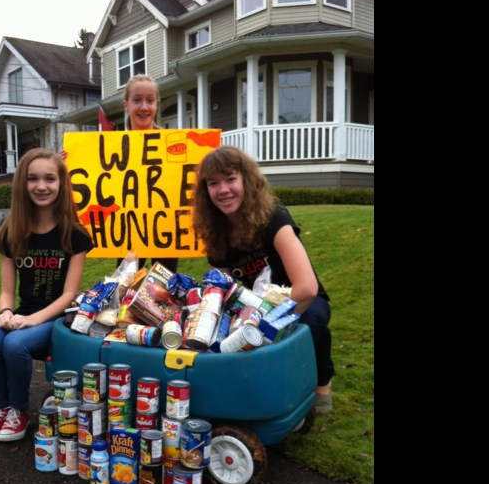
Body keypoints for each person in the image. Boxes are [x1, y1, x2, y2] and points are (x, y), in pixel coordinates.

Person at [192, 146, 334, 415]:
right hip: (252, 307)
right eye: (213, 183)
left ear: (246, 179)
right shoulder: (215, 231)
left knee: (312, 324)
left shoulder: (274, 218)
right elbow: (222, 289)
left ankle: (322, 385)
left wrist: (265, 323)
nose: (223, 189)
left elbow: (307, 288)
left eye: (231, 179)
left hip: (301, 302)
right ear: (205, 191)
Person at [0, 148, 94, 441]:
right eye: (33, 179)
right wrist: (5, 312)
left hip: (55, 320)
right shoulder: (12, 231)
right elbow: (6, 291)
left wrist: (31, 320)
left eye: (50, 178)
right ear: (21, 184)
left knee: (15, 344)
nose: (42, 186)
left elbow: (69, 294)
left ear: (61, 183)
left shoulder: (74, 233)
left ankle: (19, 410)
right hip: (24, 315)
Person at [63, 74, 179, 274]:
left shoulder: (173, 144)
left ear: (157, 104)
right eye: (137, 100)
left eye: (150, 100)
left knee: (165, 290)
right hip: (128, 230)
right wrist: (64, 167)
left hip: (165, 227)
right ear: (126, 104)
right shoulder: (111, 148)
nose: (144, 107)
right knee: (125, 290)